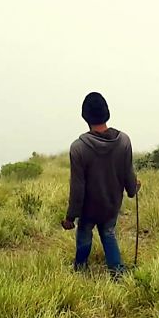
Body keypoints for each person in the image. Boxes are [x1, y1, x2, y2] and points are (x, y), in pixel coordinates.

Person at [62, 92, 139, 277]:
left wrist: (71, 217)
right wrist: (132, 189)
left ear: (84, 116)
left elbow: (77, 188)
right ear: (107, 113)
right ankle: (117, 273)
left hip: (88, 208)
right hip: (111, 204)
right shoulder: (124, 140)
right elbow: (128, 173)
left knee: (84, 234)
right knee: (108, 233)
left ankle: (80, 270)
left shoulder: (78, 148)